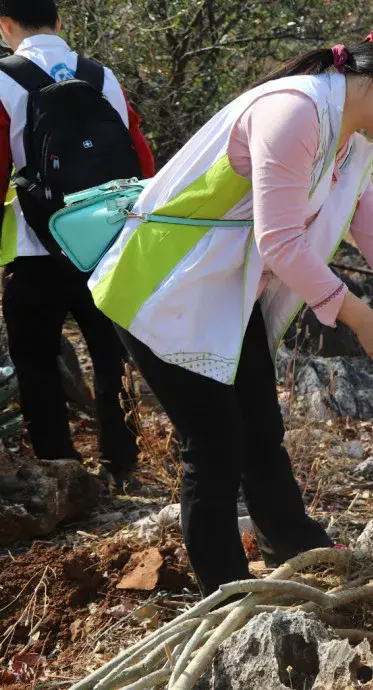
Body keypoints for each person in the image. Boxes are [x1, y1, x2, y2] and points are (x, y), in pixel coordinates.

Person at [87, 12, 373, 595]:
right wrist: (360, 316)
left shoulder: (348, 142)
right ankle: (225, 595)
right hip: (161, 287)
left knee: (259, 427)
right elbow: (280, 241)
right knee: (214, 443)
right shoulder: (295, 111)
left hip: (221, 291)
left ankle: (297, 547)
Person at [0, 0, 155, 488]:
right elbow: (140, 158)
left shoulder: (3, 79)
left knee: (36, 361)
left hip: (33, 247)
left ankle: (60, 468)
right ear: (59, 22)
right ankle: (123, 461)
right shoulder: (101, 75)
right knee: (113, 355)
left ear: (5, 26)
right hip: (104, 243)